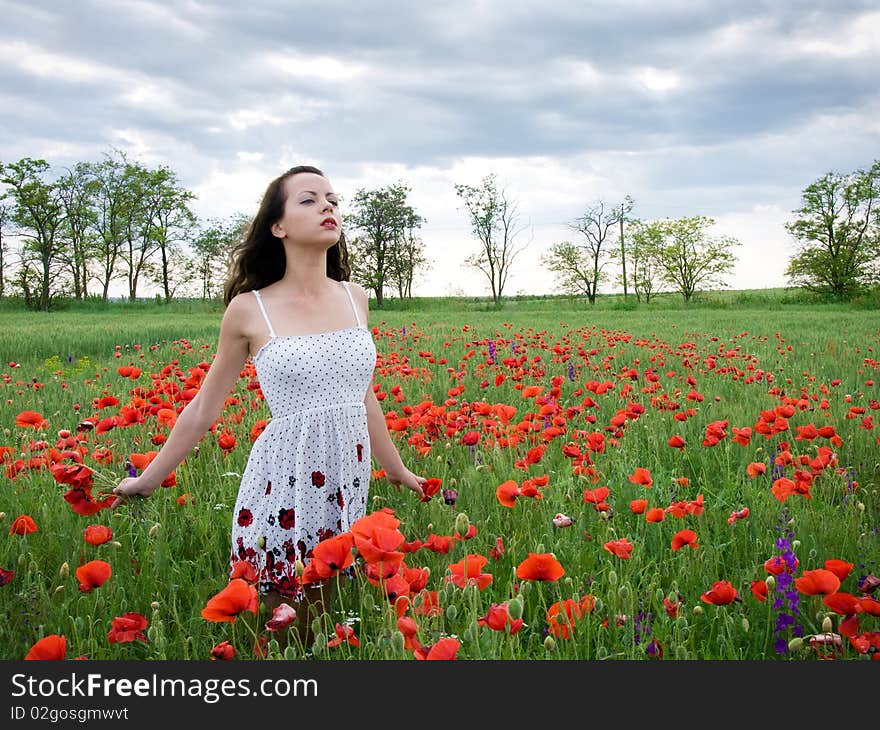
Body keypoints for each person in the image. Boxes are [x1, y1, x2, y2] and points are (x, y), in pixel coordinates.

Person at [112, 165, 426, 647]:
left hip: (347, 475)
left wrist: (399, 469)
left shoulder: (355, 298)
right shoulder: (249, 310)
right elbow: (203, 409)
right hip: (285, 480)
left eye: (332, 198)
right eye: (308, 199)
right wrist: (147, 479)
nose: (327, 206)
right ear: (277, 226)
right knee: (287, 620)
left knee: (328, 610)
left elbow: (362, 396)